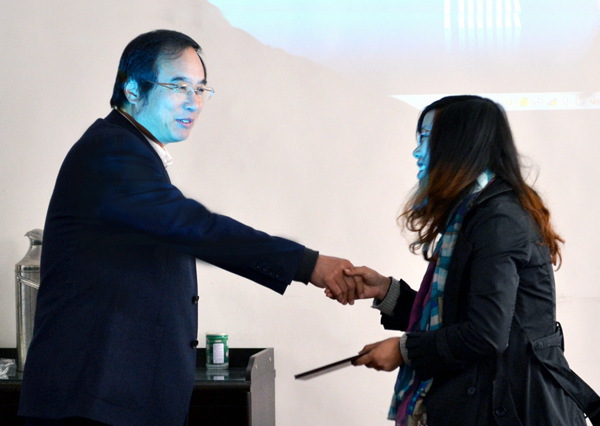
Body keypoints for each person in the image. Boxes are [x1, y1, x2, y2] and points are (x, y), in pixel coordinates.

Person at [18, 30, 366, 426]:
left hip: (114, 401)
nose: (194, 102)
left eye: (201, 89)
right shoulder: (112, 151)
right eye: (179, 87)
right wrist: (308, 264)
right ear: (132, 89)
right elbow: (195, 228)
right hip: (90, 404)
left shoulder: (129, 151)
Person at [343, 96, 600, 425]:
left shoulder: (498, 219)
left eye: (427, 138)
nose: (417, 152)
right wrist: (386, 292)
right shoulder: (474, 213)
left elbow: (484, 334)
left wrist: (404, 350)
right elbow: (454, 319)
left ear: (460, 143)